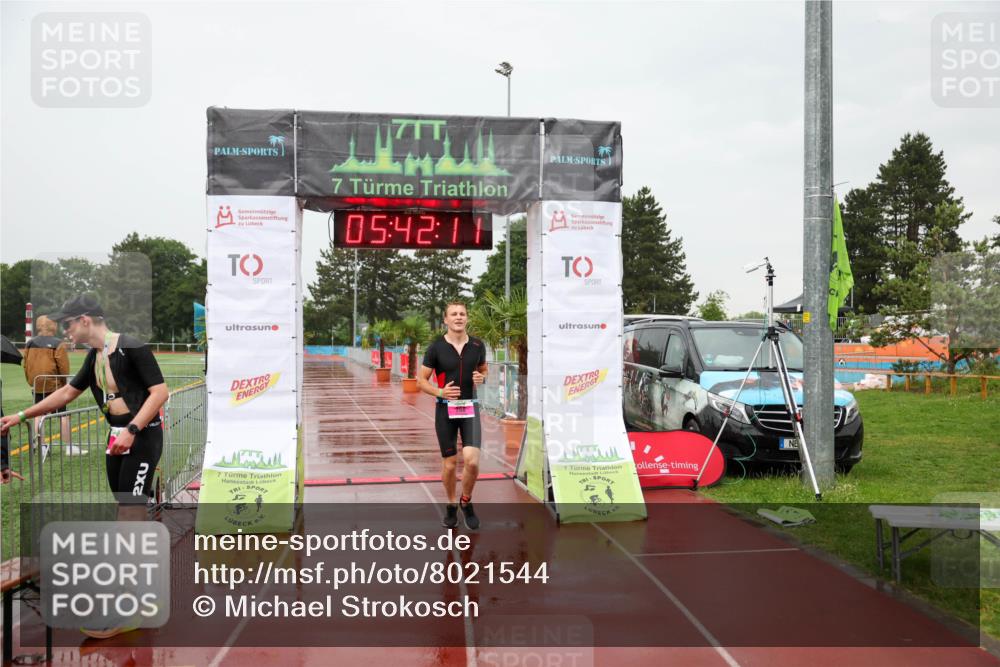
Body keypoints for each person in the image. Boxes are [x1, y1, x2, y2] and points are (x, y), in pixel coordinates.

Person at [0, 295, 168, 511]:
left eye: (67, 324)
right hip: (116, 434)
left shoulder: (132, 347)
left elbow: (160, 392)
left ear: (84, 321)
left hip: (142, 435)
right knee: (123, 504)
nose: (64, 330)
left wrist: (132, 429)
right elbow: (67, 393)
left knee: (130, 508)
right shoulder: (94, 356)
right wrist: (21, 416)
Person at [417, 301, 487, 530]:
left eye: (462, 314)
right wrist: (440, 392)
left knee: (472, 461)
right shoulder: (436, 347)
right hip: (445, 410)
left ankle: (465, 501)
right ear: (445, 320)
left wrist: (481, 377)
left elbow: (483, 369)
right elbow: (420, 381)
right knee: (449, 465)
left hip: (471, 408)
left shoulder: (477, 345)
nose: (458, 317)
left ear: (467, 318)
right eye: (453, 314)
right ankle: (450, 505)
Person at [23, 315, 70, 403]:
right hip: (55, 386)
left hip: (36, 385)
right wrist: (64, 383)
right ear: (54, 326)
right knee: (61, 413)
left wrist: (31, 382)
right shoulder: (59, 343)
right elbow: (64, 368)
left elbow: (25, 365)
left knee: (39, 413)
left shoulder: (30, 343)